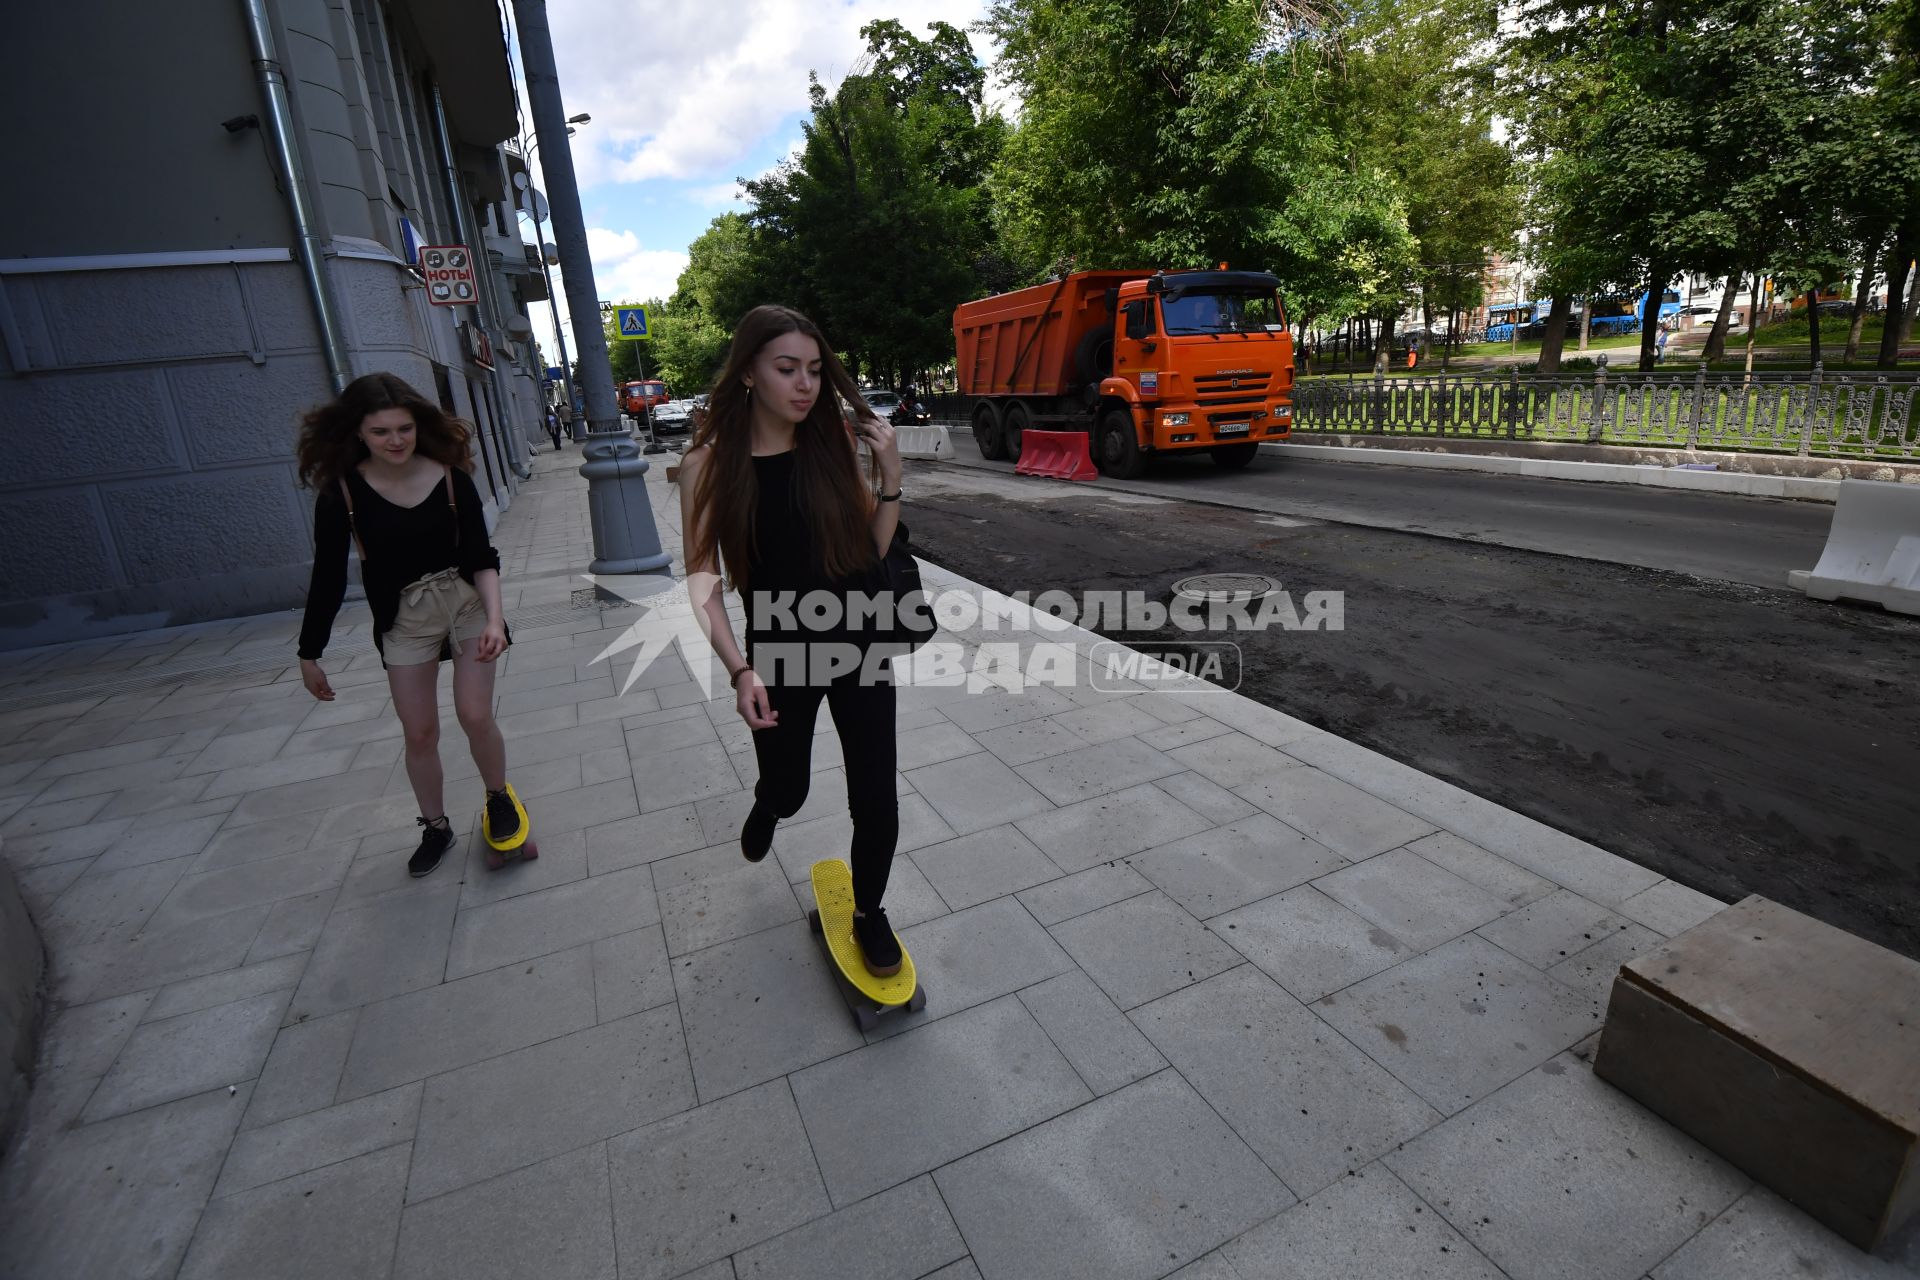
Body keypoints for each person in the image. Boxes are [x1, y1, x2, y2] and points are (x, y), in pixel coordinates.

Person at [678, 305, 908, 976]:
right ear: (749, 372)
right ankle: (769, 801)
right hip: (778, 650)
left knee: (876, 795)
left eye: (813, 370)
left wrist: (890, 476)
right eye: (787, 370)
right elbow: (703, 580)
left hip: (859, 642)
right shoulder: (709, 466)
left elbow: (871, 548)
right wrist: (739, 670)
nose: (805, 385)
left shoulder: (831, 443)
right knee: (792, 787)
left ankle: (870, 913)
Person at [295, 373, 524, 879]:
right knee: (419, 732)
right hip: (404, 620)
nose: (395, 440)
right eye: (381, 432)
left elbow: (483, 558)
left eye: (404, 428)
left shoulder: (449, 478)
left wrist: (493, 620)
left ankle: (498, 798)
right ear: (358, 432)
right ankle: (436, 827)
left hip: (465, 607)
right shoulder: (341, 496)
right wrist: (309, 652)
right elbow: (328, 576)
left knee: (474, 713)